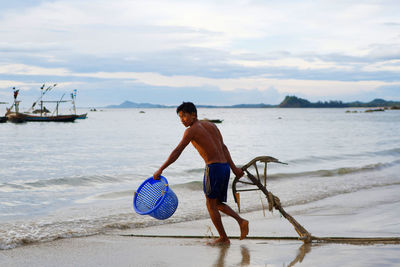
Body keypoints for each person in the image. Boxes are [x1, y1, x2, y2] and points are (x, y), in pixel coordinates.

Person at [153, 102, 249, 246]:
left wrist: (161, 169)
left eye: (184, 116)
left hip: (213, 168)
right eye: (180, 117)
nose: (182, 120)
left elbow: (177, 151)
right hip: (224, 167)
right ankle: (240, 222)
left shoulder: (191, 130)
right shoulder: (212, 125)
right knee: (216, 203)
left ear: (193, 115)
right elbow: (224, 147)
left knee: (210, 204)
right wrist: (234, 169)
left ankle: (224, 237)